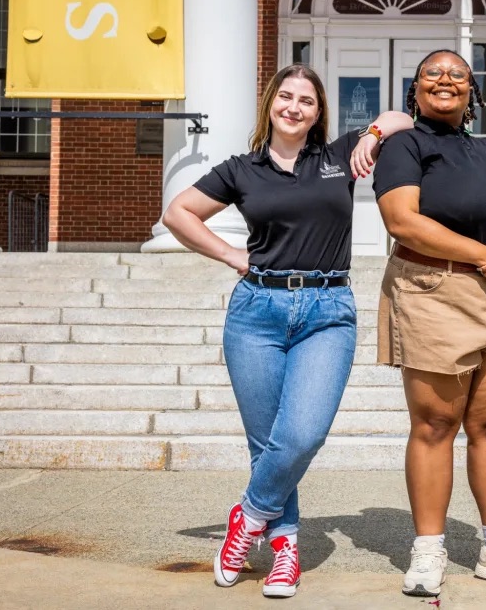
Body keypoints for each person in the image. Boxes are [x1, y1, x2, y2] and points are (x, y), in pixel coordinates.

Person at [162, 64, 413, 599]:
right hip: (257, 311)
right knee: (267, 445)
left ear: (319, 112)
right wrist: (232, 254)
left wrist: (370, 133)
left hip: (328, 309)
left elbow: (399, 119)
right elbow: (179, 213)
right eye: (286, 97)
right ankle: (284, 549)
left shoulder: (337, 156)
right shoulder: (241, 169)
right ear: (270, 104)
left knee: (301, 435)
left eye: (307, 100)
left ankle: (247, 517)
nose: (294, 107)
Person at [372, 49, 486, 597]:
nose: (445, 79)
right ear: (416, 89)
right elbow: (402, 220)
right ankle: (428, 550)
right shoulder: (405, 144)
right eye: (433, 73)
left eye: (457, 74)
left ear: (472, 91)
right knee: (434, 426)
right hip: (434, 291)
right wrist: (481, 253)